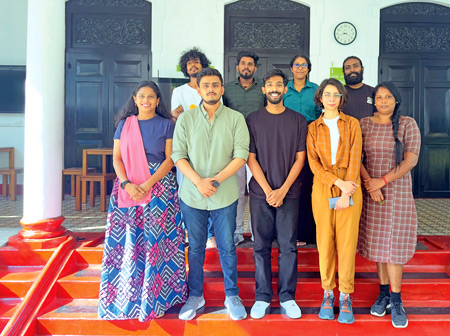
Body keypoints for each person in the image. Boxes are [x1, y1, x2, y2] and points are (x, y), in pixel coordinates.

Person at [98, 81, 187, 321]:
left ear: (158, 101)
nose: (146, 100)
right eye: (141, 96)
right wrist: (127, 183)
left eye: (151, 96)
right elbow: (117, 158)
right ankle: (127, 297)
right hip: (127, 188)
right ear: (135, 99)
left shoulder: (168, 125)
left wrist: (147, 184)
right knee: (130, 241)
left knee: (157, 241)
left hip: (158, 189)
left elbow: (170, 160)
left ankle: (159, 297)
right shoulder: (124, 125)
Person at [172, 68, 250, 321]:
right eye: (205, 85)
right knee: (195, 248)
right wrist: (198, 182)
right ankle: (195, 295)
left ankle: (232, 295)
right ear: (198, 89)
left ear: (222, 88)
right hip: (192, 195)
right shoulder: (186, 119)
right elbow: (178, 155)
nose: (211, 89)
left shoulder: (236, 118)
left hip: (224, 195)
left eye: (215, 85)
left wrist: (214, 181)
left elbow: (241, 155)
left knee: (227, 247)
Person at [358, 82, 421, 328]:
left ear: (396, 100)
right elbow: (356, 157)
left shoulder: (407, 124)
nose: (383, 101)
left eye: (388, 97)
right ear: (374, 100)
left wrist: (381, 181)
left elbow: (411, 160)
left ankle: (396, 300)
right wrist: (369, 184)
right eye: (379, 97)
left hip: (397, 193)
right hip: (372, 193)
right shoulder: (363, 124)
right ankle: (383, 293)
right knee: (378, 243)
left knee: (393, 246)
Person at [246, 69, 307, 319]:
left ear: (285, 89)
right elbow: (250, 158)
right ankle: (262, 296)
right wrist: (270, 190)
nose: (274, 88)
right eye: (269, 84)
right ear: (263, 90)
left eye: (279, 85)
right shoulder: (252, 119)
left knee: (288, 246)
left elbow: (300, 158)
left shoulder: (298, 120)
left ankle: (287, 296)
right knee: (260, 246)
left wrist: (282, 190)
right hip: (261, 194)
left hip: (289, 193)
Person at [307, 78, 362, 324]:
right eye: (327, 94)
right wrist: (336, 184)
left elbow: (355, 157)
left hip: (350, 186)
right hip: (323, 187)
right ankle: (328, 292)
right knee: (325, 242)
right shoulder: (312, 127)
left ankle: (346, 295)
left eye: (336, 94)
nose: (331, 98)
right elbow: (313, 163)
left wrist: (345, 191)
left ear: (341, 98)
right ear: (320, 98)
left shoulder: (352, 124)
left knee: (347, 243)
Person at [171, 47, 216, 248]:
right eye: (189, 63)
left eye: (197, 61)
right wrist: (178, 116)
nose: (193, 65)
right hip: (187, 148)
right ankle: (190, 232)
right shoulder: (179, 91)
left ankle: (210, 235)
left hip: (210, 147)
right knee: (187, 189)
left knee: (212, 190)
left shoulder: (210, 87)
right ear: (184, 67)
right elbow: (177, 118)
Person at [223, 50, 265, 245]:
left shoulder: (263, 89)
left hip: (259, 146)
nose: (246, 67)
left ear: (255, 68)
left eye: (250, 64)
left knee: (258, 190)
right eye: (243, 64)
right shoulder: (226, 89)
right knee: (237, 191)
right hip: (234, 147)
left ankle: (258, 233)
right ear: (237, 66)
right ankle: (238, 231)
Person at [284, 54, 322, 246]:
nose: (300, 67)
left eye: (304, 64)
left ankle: (305, 232)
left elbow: (319, 116)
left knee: (307, 185)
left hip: (310, 140)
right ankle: (285, 231)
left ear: (308, 68)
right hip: (286, 141)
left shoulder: (316, 90)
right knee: (289, 184)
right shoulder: (284, 90)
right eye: (296, 64)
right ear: (291, 68)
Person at [341, 56, 374, 120]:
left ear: (362, 69)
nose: (352, 70)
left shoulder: (373, 92)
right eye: (347, 68)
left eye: (355, 66)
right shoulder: (338, 92)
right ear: (344, 72)